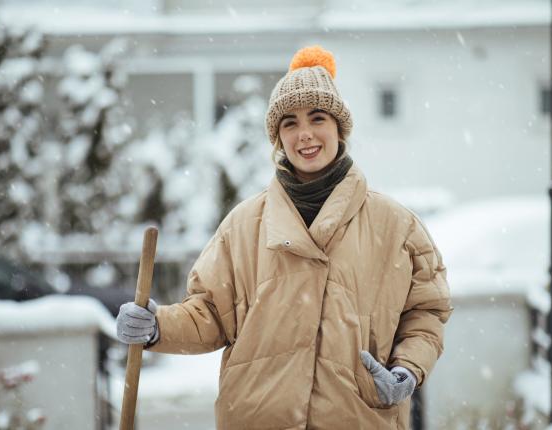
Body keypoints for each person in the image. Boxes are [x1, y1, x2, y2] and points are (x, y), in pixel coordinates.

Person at [116, 45, 453, 429]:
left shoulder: (395, 226)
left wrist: (407, 370)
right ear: (278, 137)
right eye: (289, 123)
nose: (304, 134)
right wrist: (158, 326)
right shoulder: (243, 226)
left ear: (339, 128)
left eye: (317, 117)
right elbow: (210, 314)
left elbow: (427, 312)